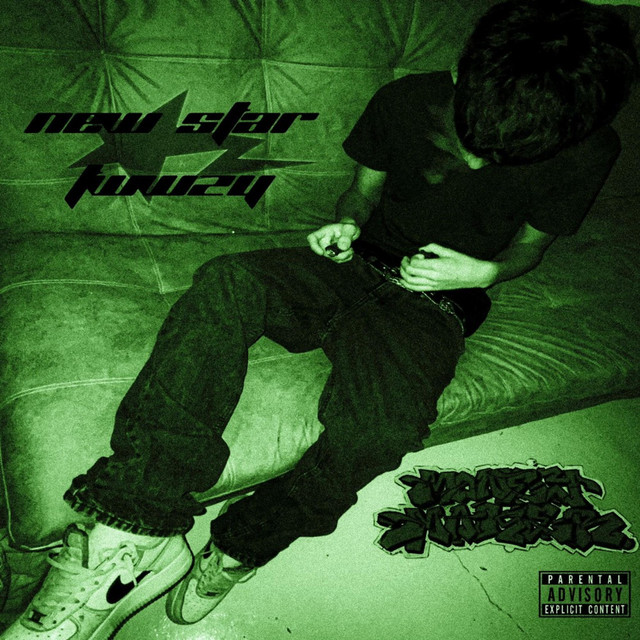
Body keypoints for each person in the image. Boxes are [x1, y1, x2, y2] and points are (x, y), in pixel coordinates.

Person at [4, 0, 638, 638]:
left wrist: (484, 273)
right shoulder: (406, 99)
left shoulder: (589, 148)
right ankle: (132, 529)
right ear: (462, 72)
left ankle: (242, 546)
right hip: (352, 264)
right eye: (471, 132)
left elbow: (530, 248)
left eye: (500, 153)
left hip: (437, 302)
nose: (475, 161)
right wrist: (347, 224)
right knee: (229, 280)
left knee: (381, 430)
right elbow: (361, 191)